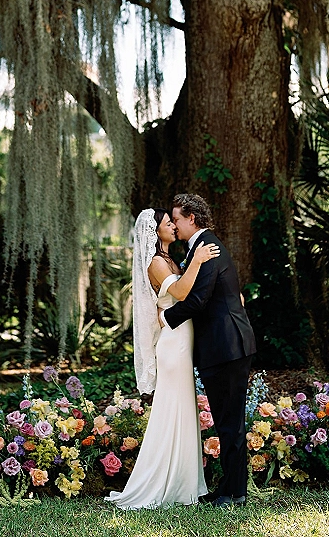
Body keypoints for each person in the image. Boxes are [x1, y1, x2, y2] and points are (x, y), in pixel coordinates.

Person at [106, 207, 220, 509]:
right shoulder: (156, 262)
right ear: (155, 231)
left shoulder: (170, 259)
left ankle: (184, 482)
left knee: (184, 407)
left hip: (183, 338)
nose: (172, 225)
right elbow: (182, 293)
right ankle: (161, 482)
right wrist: (197, 260)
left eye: (173, 221)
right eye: (167, 222)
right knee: (172, 408)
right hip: (172, 343)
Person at [160, 194, 257, 508]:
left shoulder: (207, 248)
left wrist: (165, 318)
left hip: (228, 346)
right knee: (225, 420)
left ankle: (236, 493)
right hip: (222, 347)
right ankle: (228, 487)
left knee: (230, 422)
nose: (174, 225)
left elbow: (199, 300)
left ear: (190, 217)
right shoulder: (199, 249)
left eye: (176, 219)